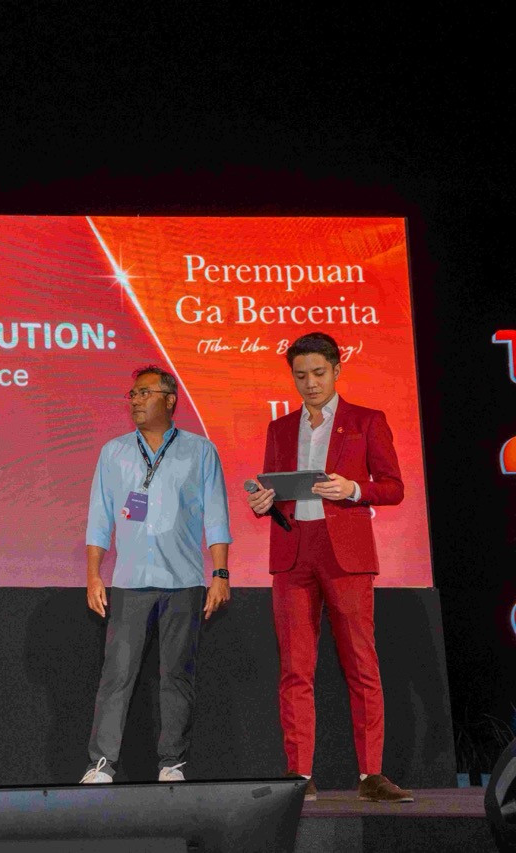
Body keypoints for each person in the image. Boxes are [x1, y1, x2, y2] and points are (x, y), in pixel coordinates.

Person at [247, 331, 412, 803]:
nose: (311, 383)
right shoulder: (279, 428)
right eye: (301, 376)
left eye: (318, 373)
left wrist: (353, 489)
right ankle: (300, 775)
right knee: (295, 669)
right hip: (293, 553)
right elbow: (273, 491)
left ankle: (371, 774)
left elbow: (394, 487)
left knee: (361, 664)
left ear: (337, 370)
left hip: (346, 555)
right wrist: (263, 502)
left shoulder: (366, 421)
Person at [80, 365, 232, 785]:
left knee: (177, 677)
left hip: (184, 581)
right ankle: (101, 764)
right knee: (116, 676)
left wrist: (220, 573)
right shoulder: (113, 452)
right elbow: (99, 518)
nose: (135, 400)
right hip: (129, 582)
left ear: (170, 400)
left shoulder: (200, 451)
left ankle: (173, 763)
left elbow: (216, 516)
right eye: (132, 394)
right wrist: (94, 576)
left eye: (144, 393)